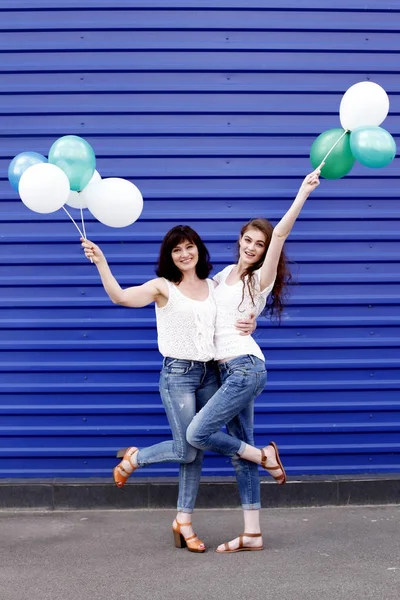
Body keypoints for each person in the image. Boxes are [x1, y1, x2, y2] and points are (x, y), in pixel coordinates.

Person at [81, 225, 256, 553]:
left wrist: (252, 321)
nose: (185, 254)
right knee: (186, 448)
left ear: (198, 250)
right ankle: (135, 459)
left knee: (196, 449)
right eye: (177, 250)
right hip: (178, 374)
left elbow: (235, 313)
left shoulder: (213, 285)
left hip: (210, 372)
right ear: (170, 256)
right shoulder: (163, 287)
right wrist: (102, 262)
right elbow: (120, 297)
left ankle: (183, 522)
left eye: (189, 247)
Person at [186, 166, 322, 553]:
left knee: (197, 433)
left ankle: (265, 455)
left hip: (245, 368)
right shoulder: (225, 274)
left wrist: (303, 192)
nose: (252, 247)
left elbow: (281, 232)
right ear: (239, 240)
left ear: (265, 251)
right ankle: (253, 532)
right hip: (226, 370)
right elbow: (199, 302)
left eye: (259, 244)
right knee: (241, 449)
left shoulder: (258, 279)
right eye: (248, 239)